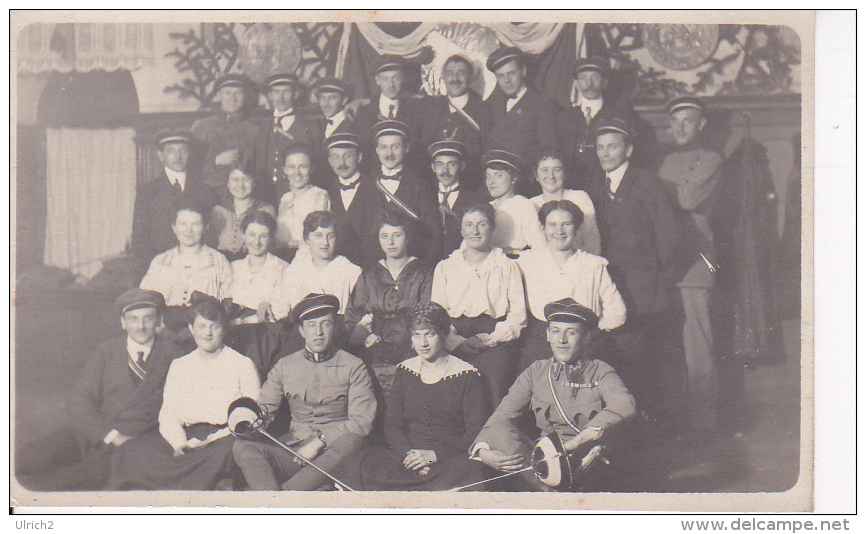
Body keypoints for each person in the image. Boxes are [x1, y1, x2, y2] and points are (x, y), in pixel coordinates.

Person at [15, 289, 181, 491]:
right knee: (27, 462)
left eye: (147, 318)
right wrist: (110, 435)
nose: (140, 326)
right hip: (92, 431)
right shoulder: (106, 351)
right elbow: (79, 402)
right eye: (133, 319)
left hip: (135, 441)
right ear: (123, 322)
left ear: (159, 320)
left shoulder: (174, 355)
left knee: (59, 484)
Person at [470, 298, 636, 492]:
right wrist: (483, 452)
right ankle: (548, 492)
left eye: (571, 332)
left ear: (585, 337)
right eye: (556, 331)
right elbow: (501, 418)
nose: (562, 340)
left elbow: (625, 405)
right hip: (546, 464)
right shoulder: (536, 372)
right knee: (500, 432)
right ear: (548, 335)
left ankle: (551, 493)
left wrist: (574, 443)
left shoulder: (600, 371)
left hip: (588, 460)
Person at [587, 115, 683, 426]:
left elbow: (670, 237)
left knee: (652, 360)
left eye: (612, 147)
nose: (605, 153)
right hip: (611, 289)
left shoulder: (646, 183)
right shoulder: (595, 187)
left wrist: (654, 277)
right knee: (623, 358)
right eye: (600, 148)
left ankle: (664, 425)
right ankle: (630, 422)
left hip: (644, 291)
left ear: (628, 150)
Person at [110, 297, 260, 490]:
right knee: (136, 450)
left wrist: (209, 441)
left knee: (225, 454)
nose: (207, 333)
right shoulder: (180, 365)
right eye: (201, 326)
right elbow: (169, 414)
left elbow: (250, 416)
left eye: (214, 327)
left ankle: (184, 483)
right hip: (186, 437)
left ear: (224, 329)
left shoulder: (242, 364)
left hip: (223, 438)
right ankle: (196, 480)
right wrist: (178, 443)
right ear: (191, 329)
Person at [232, 293, 377, 491]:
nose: (318, 332)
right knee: (242, 446)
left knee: (353, 441)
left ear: (334, 327)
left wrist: (319, 442)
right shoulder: (285, 365)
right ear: (301, 330)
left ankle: (286, 496)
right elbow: (265, 407)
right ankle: (269, 496)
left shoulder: (354, 365)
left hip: (334, 452)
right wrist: (251, 418)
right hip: (294, 451)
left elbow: (362, 421)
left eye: (325, 324)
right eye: (311, 325)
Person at [343, 302, 486, 491]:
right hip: (407, 458)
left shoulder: (467, 375)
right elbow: (392, 425)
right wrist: (408, 456)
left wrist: (433, 456)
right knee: (361, 463)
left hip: (446, 458)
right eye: (416, 335)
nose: (423, 343)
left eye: (430, 334)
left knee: (471, 472)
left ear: (444, 334)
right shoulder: (406, 370)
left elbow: (474, 432)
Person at [656, 96, 724, 440]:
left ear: (702, 125)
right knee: (670, 347)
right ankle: (676, 416)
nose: (680, 127)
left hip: (697, 263)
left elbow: (687, 199)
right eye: (675, 121)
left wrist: (657, 190)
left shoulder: (711, 159)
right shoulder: (665, 160)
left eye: (688, 120)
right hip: (666, 265)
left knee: (698, 344)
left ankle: (703, 421)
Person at [431, 202, 526, 406]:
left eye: (481, 224)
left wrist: (490, 340)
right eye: (469, 224)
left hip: (495, 337)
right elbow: (437, 316)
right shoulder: (445, 267)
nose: (475, 231)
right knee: (448, 381)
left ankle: (489, 437)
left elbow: (518, 317)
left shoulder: (507, 266)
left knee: (492, 380)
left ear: (492, 227)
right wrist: (457, 343)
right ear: (461, 229)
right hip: (453, 336)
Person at [516, 200, 627, 371]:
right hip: (541, 340)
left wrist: (590, 330)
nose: (559, 231)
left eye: (566, 224)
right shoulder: (527, 262)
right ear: (544, 228)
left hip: (585, 342)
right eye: (552, 225)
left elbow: (617, 311)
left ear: (576, 228)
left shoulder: (593, 264)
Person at [345, 208, 434, 397]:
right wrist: (366, 336)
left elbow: (429, 314)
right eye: (384, 236)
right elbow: (352, 317)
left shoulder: (423, 272)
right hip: (374, 350)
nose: (390, 242)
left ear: (407, 237)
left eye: (397, 235)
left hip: (412, 346)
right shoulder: (369, 275)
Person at [355, 119, 443, 267]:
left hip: (412, 270)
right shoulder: (366, 187)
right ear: (376, 150)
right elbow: (358, 235)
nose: (389, 153)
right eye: (383, 147)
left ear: (406, 148)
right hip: (374, 270)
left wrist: (423, 271)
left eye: (395, 147)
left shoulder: (421, 187)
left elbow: (435, 236)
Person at [131, 128, 218, 276]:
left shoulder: (205, 191)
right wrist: (161, 269)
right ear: (160, 155)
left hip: (198, 271)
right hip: (159, 272)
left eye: (183, 151)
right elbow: (140, 239)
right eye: (171, 151)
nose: (178, 156)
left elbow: (211, 235)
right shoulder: (147, 192)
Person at [140, 196, 233, 331]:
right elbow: (146, 302)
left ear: (205, 227)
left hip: (204, 331)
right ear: (174, 227)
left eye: (195, 224)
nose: (189, 230)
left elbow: (228, 301)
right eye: (183, 224)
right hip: (165, 332)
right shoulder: (160, 262)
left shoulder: (219, 261)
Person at [555, 57, 639, 190]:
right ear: (576, 84)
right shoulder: (564, 118)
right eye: (583, 78)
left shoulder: (618, 115)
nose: (589, 83)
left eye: (595, 77)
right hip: (571, 187)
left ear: (604, 82)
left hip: (606, 187)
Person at [484, 46, 557, 194]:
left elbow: (548, 150)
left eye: (511, 73)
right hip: (493, 186)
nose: (506, 80)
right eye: (500, 75)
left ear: (523, 71)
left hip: (525, 187)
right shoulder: (491, 105)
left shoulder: (541, 104)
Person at [271, 211, 362, 325]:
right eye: (318, 236)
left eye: (330, 236)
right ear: (307, 239)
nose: (325, 242)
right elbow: (281, 305)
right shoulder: (295, 271)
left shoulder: (351, 271)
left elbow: (361, 311)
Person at [418, 54, 492, 190]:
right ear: (443, 77)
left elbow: (486, 153)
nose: (455, 78)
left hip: (470, 186)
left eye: (461, 73)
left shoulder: (483, 111)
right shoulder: (431, 108)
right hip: (433, 188)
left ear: (470, 77)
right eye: (450, 73)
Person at [251, 73, 314, 206]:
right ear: (269, 96)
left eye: (286, 92)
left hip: (294, 194)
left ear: (295, 95)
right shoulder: (263, 126)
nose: (281, 98)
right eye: (276, 92)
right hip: (265, 195)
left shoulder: (306, 126)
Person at [191, 74, 260, 192]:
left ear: (245, 96)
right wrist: (215, 161)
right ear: (219, 95)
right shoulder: (202, 126)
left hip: (245, 193)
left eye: (238, 93)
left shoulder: (254, 130)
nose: (233, 98)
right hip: (211, 193)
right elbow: (190, 165)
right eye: (228, 93)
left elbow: (260, 169)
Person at [529, 149, 601, 256]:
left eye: (557, 170)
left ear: (565, 173)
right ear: (536, 175)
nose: (551, 176)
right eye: (545, 170)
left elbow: (592, 241)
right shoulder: (531, 204)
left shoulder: (580, 198)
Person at [207, 163, 276, 261]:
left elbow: (270, 247)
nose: (241, 185)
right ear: (228, 184)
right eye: (235, 180)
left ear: (254, 182)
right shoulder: (218, 211)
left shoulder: (266, 210)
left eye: (246, 179)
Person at [483, 149, 546, 256]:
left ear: (514, 178)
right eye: (488, 176)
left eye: (498, 175)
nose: (491, 181)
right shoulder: (486, 207)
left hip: (514, 261)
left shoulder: (523, 205)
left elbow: (539, 246)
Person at [275, 143, 331, 261]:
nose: (297, 173)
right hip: (282, 258)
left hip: (307, 259)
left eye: (303, 166)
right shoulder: (285, 199)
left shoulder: (319, 196)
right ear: (284, 170)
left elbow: (317, 236)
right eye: (291, 167)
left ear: (311, 169)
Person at [428, 139, 481, 258]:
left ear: (462, 166)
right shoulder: (425, 196)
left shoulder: (475, 199)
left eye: (451, 164)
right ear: (433, 167)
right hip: (429, 266)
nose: (445, 171)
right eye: (440, 164)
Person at [321, 132, 368, 266]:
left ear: (359, 157)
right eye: (335, 157)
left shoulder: (376, 189)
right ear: (329, 161)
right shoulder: (326, 193)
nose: (341, 163)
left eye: (348, 156)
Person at [308, 76, 357, 165]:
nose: (326, 103)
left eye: (332, 98)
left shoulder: (352, 126)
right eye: (323, 98)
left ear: (344, 100)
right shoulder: (317, 125)